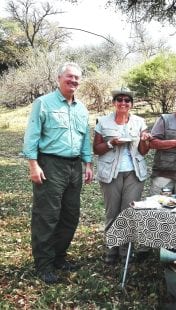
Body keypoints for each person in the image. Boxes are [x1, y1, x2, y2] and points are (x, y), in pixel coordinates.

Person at [22, 62, 93, 284]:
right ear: (59, 78)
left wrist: (88, 164)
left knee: (70, 215)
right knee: (47, 216)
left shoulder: (81, 108)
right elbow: (32, 135)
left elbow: (85, 139)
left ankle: (59, 257)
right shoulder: (43, 103)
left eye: (77, 78)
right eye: (69, 77)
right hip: (50, 164)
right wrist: (33, 164)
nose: (74, 81)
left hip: (74, 167)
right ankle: (44, 264)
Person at [93, 87, 150, 264]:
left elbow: (143, 151)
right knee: (112, 212)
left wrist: (146, 140)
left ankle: (126, 252)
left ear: (131, 104)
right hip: (111, 173)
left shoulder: (140, 122)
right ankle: (112, 250)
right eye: (120, 100)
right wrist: (111, 143)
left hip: (134, 173)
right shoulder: (102, 122)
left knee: (129, 212)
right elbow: (97, 149)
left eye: (127, 100)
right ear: (114, 103)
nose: (123, 103)